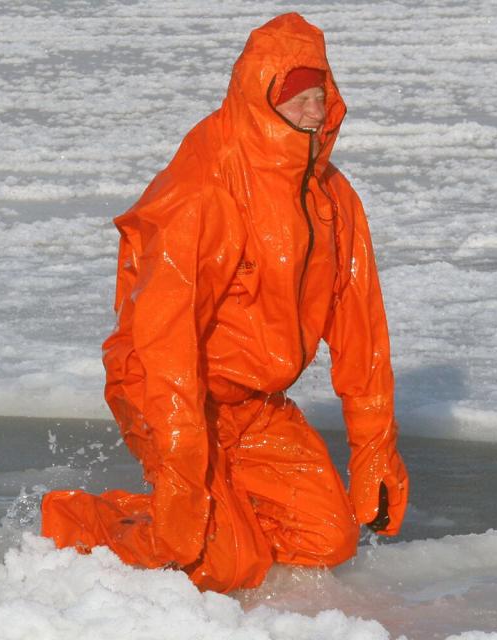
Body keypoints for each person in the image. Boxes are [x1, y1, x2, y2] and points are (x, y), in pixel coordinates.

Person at [41, 12, 409, 592]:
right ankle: (83, 523)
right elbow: (164, 339)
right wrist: (184, 460)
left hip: (254, 406)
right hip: (165, 387)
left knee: (326, 538)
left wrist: (374, 454)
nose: (314, 111)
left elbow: (362, 335)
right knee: (222, 562)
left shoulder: (334, 201)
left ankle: (216, 514)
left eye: (321, 94)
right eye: (297, 97)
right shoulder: (206, 188)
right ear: (259, 96)